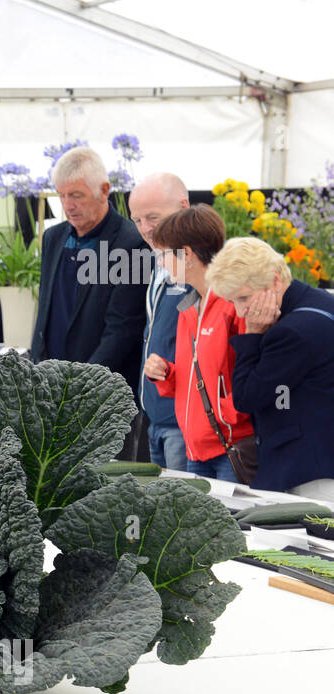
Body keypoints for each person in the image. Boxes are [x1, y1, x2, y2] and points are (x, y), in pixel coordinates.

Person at [31, 146, 147, 459]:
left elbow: (122, 329)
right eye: (62, 195)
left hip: (100, 395)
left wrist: (81, 388)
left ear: (104, 190)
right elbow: (45, 311)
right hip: (51, 392)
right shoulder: (54, 238)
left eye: (77, 196)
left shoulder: (131, 244)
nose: (68, 205)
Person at [210, 236, 334, 497]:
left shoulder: (291, 332)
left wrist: (252, 335)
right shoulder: (320, 302)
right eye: (233, 301)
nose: (241, 312)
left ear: (275, 280)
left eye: (244, 297)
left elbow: (245, 398)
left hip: (307, 472)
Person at [142, 206, 250, 482]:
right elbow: (198, 379)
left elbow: (253, 374)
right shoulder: (189, 307)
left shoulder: (232, 304)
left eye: (165, 255)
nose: (163, 263)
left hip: (229, 450)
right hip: (196, 451)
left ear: (187, 255)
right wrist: (166, 374)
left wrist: (226, 418)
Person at [129, 173, 191, 471]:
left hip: (184, 421)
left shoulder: (199, 268)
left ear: (183, 206)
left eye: (152, 217)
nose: (145, 228)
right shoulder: (159, 261)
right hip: (156, 416)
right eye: (137, 220)